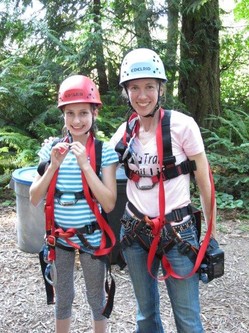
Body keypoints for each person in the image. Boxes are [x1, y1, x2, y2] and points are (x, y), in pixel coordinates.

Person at [110, 48, 218, 333]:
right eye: (134, 88)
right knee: (145, 316)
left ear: (160, 89)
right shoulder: (124, 133)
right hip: (135, 232)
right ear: (126, 92)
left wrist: (211, 235)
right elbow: (95, 166)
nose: (142, 95)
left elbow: (205, 183)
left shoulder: (183, 126)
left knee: (188, 320)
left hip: (177, 232)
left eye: (149, 87)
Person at [30, 75, 119, 333]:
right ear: (63, 116)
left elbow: (109, 203)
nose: (77, 120)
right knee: (63, 298)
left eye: (83, 113)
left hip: (91, 236)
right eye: (70, 113)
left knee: (96, 298)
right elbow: (35, 197)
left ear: (94, 113)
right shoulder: (51, 150)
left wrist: (85, 166)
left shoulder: (104, 152)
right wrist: (53, 166)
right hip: (58, 237)